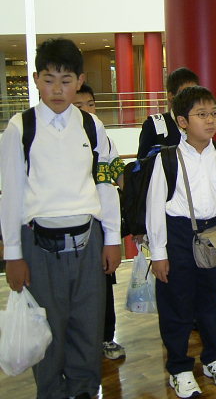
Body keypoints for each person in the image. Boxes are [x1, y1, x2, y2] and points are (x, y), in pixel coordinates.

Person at [0, 38, 122, 399]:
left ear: (79, 81)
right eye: (49, 79)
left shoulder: (91, 126)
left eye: (66, 80)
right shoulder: (20, 128)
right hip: (39, 245)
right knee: (48, 327)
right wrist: (13, 254)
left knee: (87, 325)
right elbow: (11, 194)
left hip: (88, 242)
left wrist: (113, 239)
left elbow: (106, 184)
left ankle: (84, 390)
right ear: (36, 79)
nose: (57, 89)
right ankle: (51, 392)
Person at [146, 86, 216, 398]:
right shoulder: (167, 159)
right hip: (177, 235)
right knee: (176, 303)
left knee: (211, 301)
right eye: (201, 114)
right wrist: (158, 253)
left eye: (214, 113)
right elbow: (154, 208)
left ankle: (214, 358)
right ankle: (179, 368)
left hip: (214, 234)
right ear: (182, 121)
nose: (210, 120)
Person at [74, 83, 127, 360]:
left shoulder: (101, 135)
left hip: (99, 225)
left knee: (103, 283)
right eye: (79, 106)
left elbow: (116, 173)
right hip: (70, 227)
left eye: (91, 104)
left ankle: (106, 337)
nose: (87, 110)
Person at [137, 67, 200, 159]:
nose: (191, 98)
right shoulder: (154, 125)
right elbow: (143, 163)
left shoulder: (200, 123)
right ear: (171, 96)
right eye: (185, 93)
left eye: (195, 93)